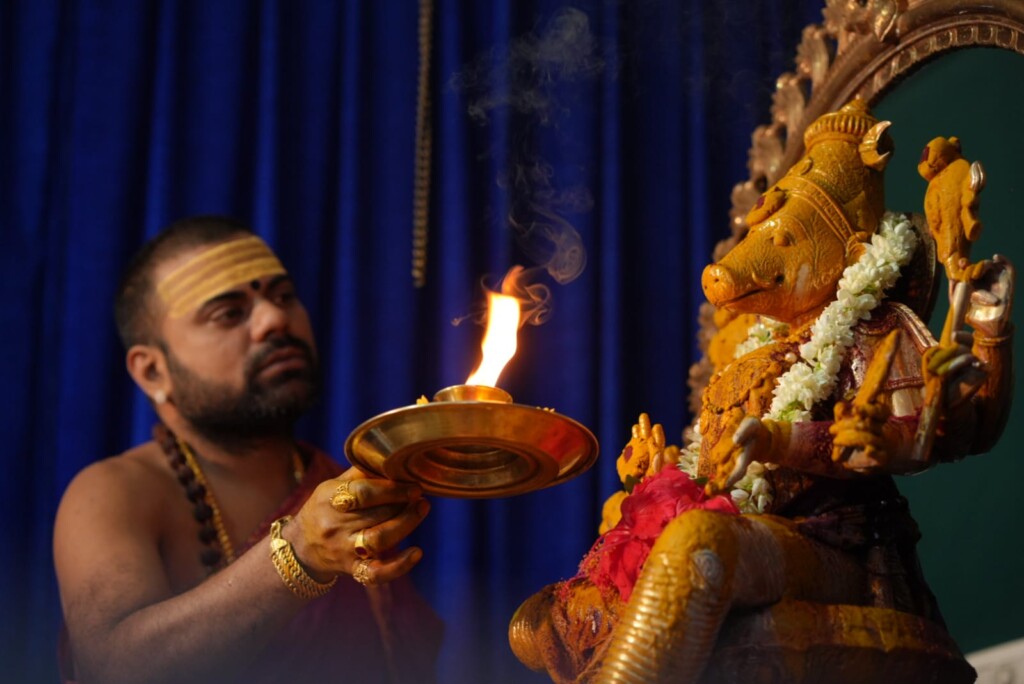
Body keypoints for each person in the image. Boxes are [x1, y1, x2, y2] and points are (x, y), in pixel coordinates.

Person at [53, 215, 442, 684]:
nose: (275, 319)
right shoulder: (113, 493)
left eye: (283, 296)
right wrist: (300, 552)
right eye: (229, 313)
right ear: (153, 372)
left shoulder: (342, 484)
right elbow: (111, 669)